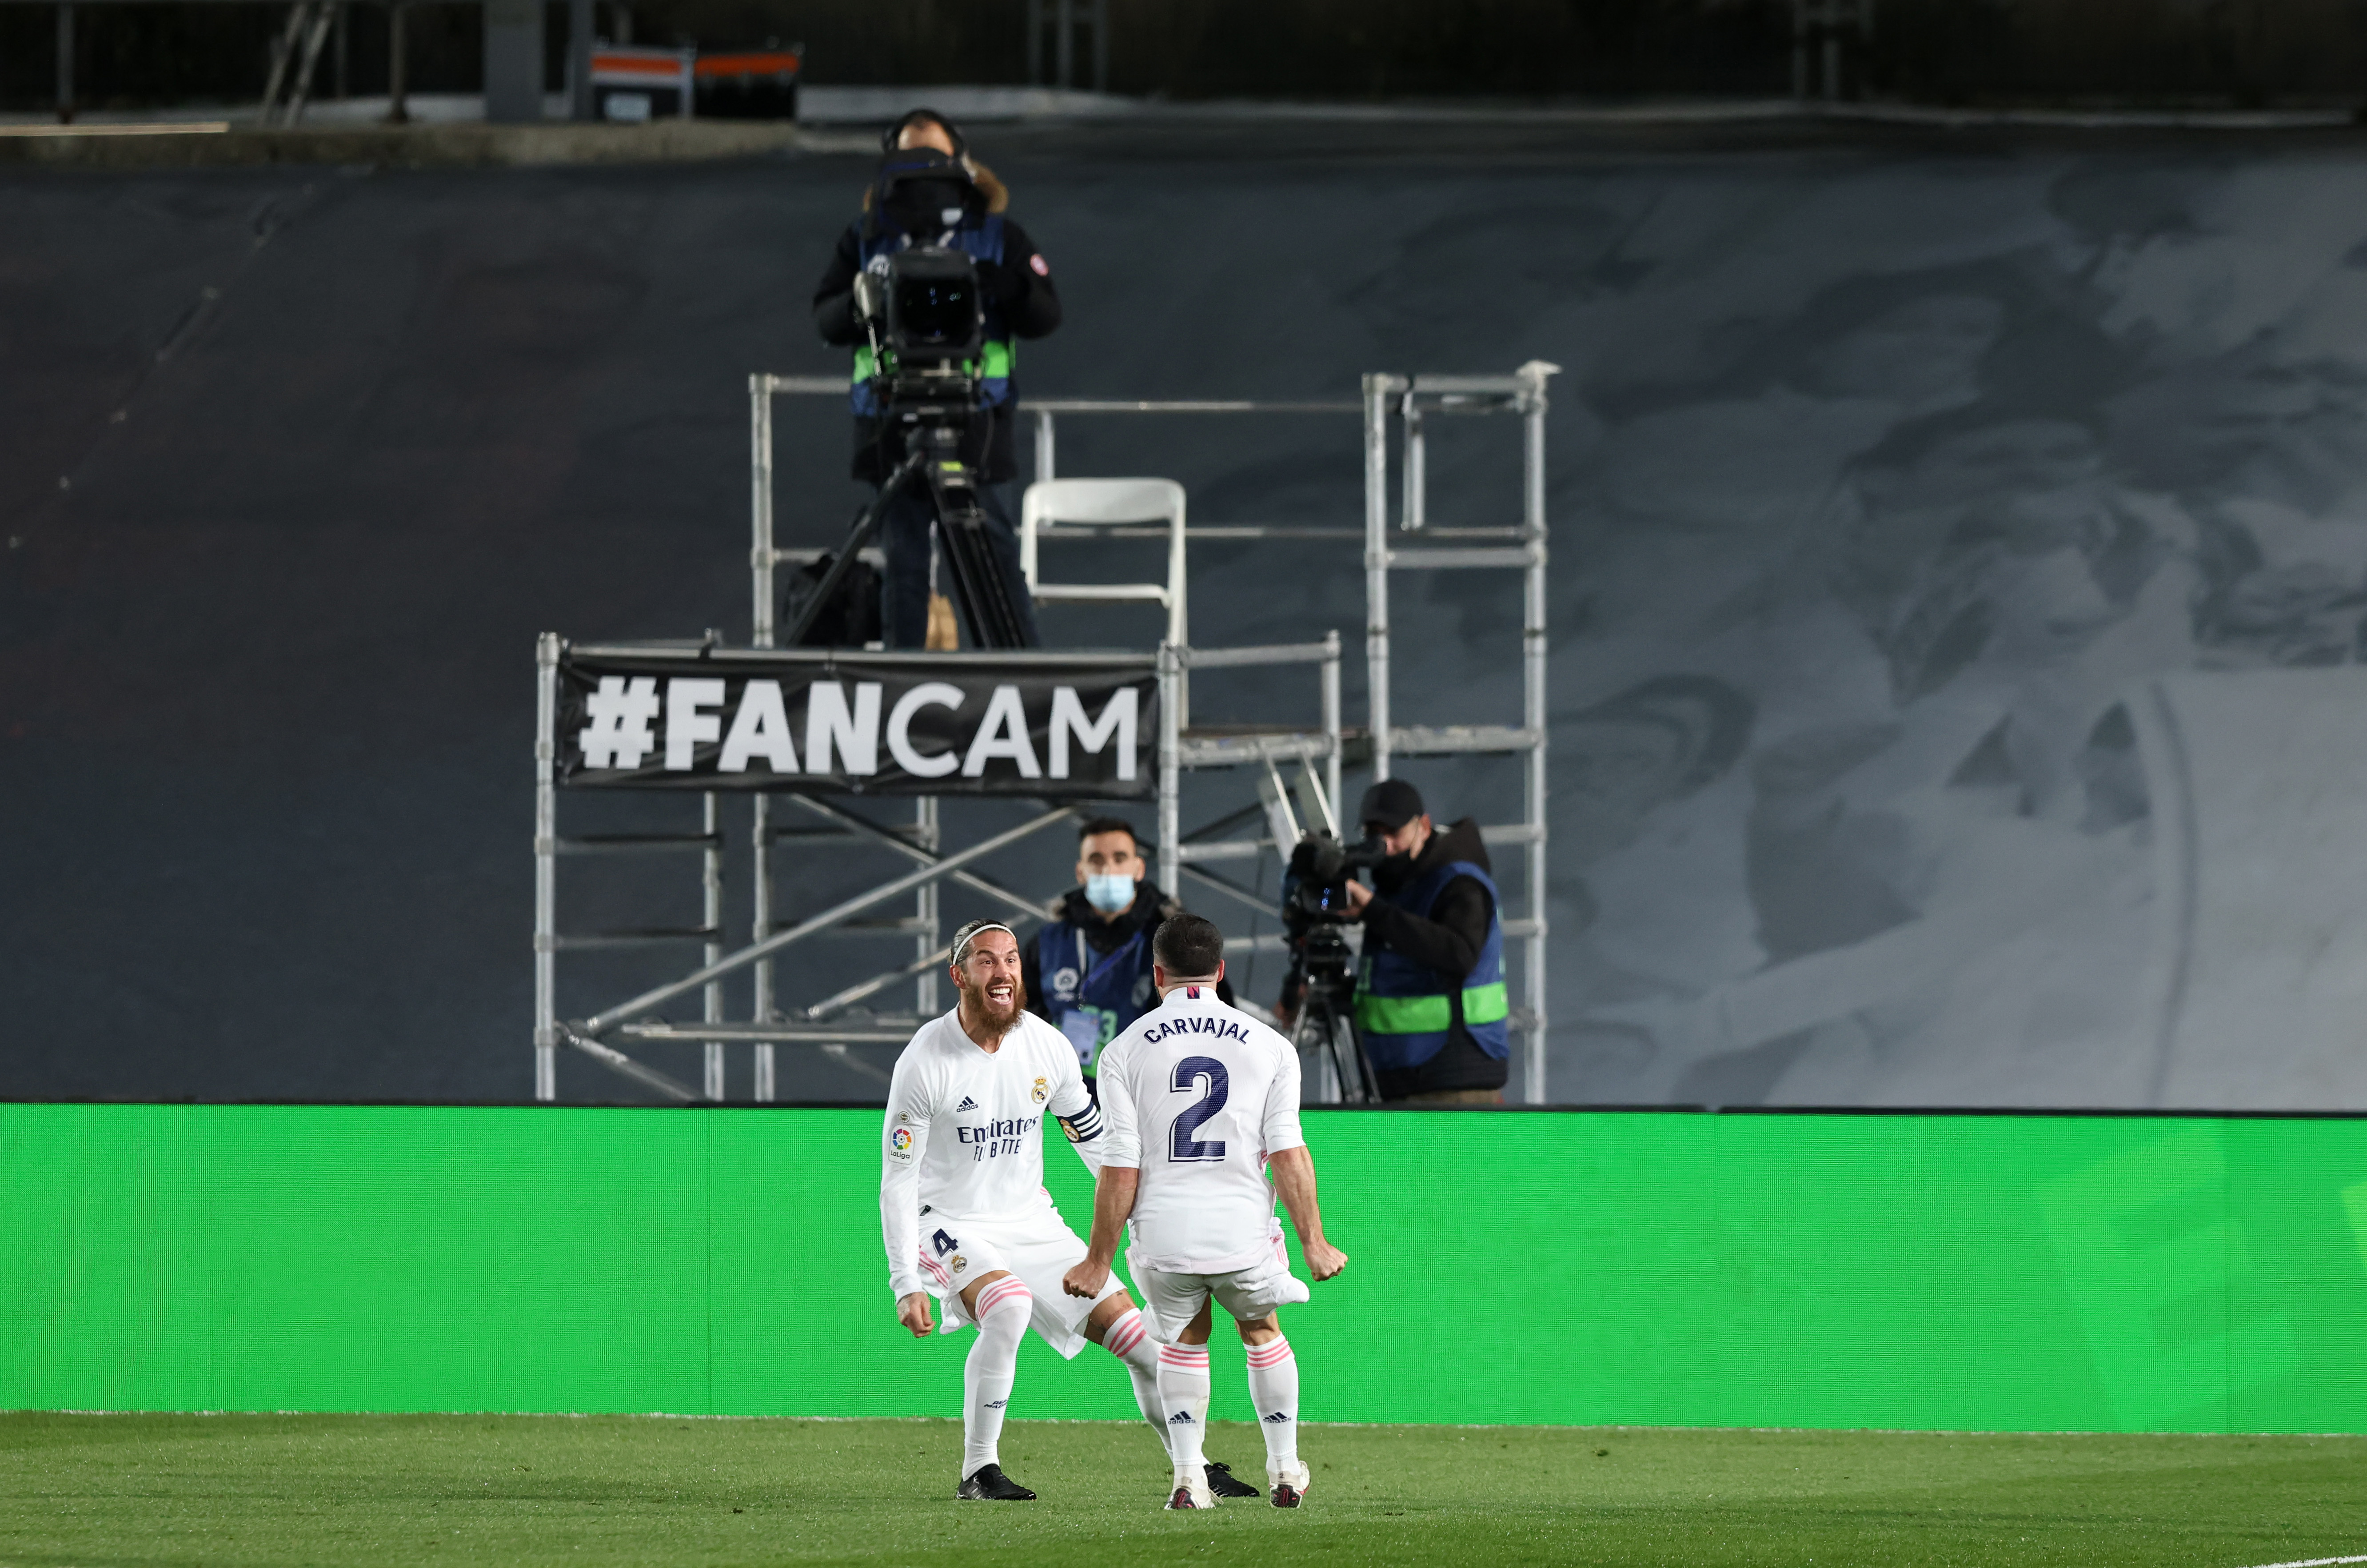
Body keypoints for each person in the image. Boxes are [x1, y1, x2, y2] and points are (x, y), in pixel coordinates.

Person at [879, 918, 1250, 1502]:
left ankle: (1195, 1466)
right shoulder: (926, 1061)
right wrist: (906, 1281)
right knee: (1007, 1306)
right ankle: (980, 1469)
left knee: (1145, 1343)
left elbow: (1095, 1144)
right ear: (958, 974)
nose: (1002, 972)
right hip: (948, 1220)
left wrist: (1147, 1211)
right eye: (985, 961)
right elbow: (897, 1181)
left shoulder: (1046, 1046)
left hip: (1032, 1223)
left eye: (1010, 960)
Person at [1064, 914, 1348, 1511]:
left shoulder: (1121, 1051)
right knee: (1261, 1330)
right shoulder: (1270, 1045)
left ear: (1157, 973)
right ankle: (1283, 1470)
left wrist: (1097, 1261)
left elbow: (1121, 1167)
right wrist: (1314, 1244)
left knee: (1184, 1342)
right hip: (1240, 1232)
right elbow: (1287, 1152)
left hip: (1162, 1237)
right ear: (1220, 971)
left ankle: (1189, 1477)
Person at [812, 109, 1058, 650]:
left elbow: (1045, 316)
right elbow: (825, 318)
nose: (923, 172)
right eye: (909, 158)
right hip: (889, 422)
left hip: (978, 424)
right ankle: (904, 686)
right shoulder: (867, 239)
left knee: (993, 555)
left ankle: (1026, 681)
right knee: (903, 562)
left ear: (960, 162)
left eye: (935, 159)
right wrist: (866, 300)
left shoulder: (997, 239)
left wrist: (1002, 288)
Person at [1341, 778, 1510, 1105]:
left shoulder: (1458, 880)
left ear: (1424, 825)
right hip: (1406, 1071)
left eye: (1394, 833)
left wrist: (1376, 911)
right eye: (1375, 835)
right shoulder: (1400, 883)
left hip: (1454, 1075)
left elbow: (1459, 954)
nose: (1386, 846)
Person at [1021, 817, 1229, 1079]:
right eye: (1096, 860)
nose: (1109, 869)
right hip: (1064, 1100)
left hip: (1150, 1094)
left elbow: (1214, 1014)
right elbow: (1016, 1011)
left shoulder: (1177, 940)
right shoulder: (1049, 941)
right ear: (1080, 871)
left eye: (1120, 858)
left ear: (1139, 868)